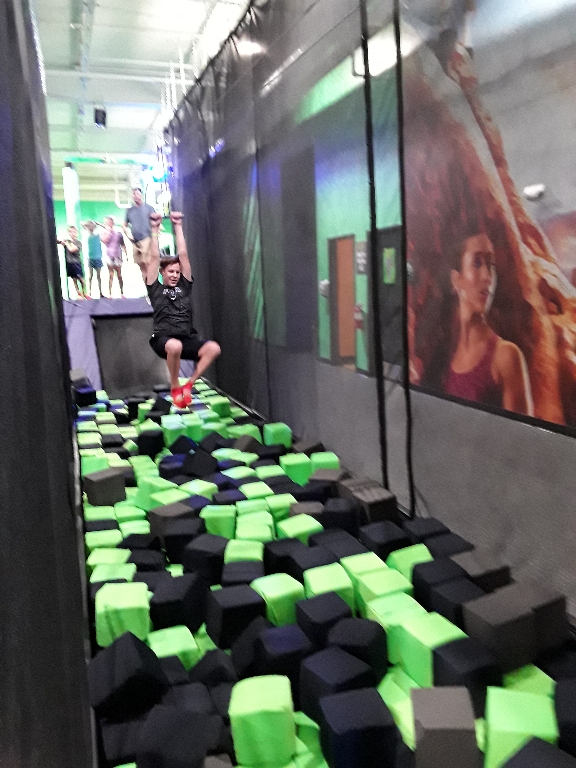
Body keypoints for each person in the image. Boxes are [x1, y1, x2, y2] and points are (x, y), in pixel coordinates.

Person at [443, 231, 533, 415]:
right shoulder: (446, 355)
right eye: (477, 263)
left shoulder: (506, 356)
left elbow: (521, 432)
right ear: (456, 279)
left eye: (491, 265)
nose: (487, 276)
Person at [146, 210, 221, 406]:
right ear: (162, 273)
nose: (174, 275)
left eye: (177, 272)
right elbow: (154, 257)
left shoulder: (184, 287)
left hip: (185, 339)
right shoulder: (155, 288)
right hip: (162, 339)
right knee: (174, 346)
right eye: (170, 271)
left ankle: (188, 385)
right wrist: (154, 229)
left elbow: (184, 256)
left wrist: (177, 226)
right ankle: (174, 386)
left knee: (213, 348)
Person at [123, 187, 156, 282]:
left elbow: (156, 222)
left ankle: (153, 285)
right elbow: (124, 225)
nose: (136, 196)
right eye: (134, 194)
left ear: (141, 195)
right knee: (141, 265)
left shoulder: (149, 208)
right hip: (135, 241)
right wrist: (127, 233)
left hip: (146, 238)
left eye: (138, 194)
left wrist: (155, 236)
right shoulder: (130, 210)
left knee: (147, 263)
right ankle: (148, 287)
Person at [58, 225, 88, 299]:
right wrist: (62, 241)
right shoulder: (67, 241)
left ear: (77, 233)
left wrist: (66, 243)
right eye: (70, 232)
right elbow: (58, 241)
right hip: (69, 262)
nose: (72, 233)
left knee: (81, 279)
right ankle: (79, 293)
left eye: (74, 232)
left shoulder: (78, 242)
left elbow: (72, 250)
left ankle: (84, 292)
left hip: (76, 262)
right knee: (74, 279)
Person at [100, 216, 126, 297]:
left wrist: (126, 254)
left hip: (118, 255)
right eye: (106, 223)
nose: (107, 224)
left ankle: (122, 293)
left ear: (112, 223)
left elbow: (122, 244)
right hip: (109, 256)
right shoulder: (103, 233)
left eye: (109, 222)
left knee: (119, 275)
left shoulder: (118, 233)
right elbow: (104, 241)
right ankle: (110, 294)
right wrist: (108, 232)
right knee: (111, 274)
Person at [83, 220, 104, 298]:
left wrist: (97, 223)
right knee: (90, 276)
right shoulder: (87, 235)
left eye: (92, 226)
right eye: (89, 226)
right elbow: (82, 224)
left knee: (99, 276)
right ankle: (90, 293)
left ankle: (100, 293)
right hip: (91, 258)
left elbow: (105, 228)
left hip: (98, 258)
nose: (90, 227)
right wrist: (88, 224)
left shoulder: (98, 235)